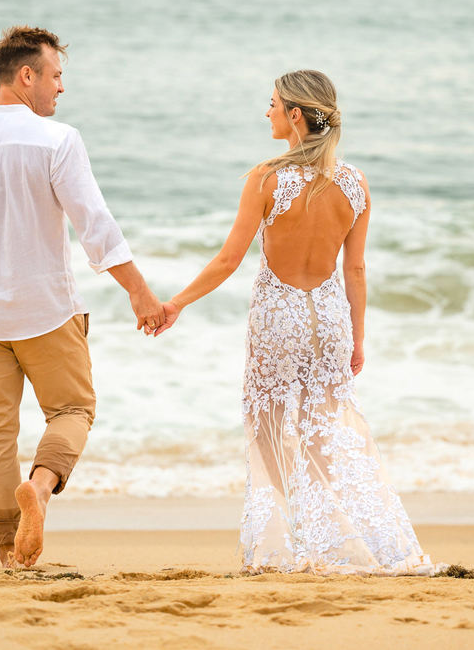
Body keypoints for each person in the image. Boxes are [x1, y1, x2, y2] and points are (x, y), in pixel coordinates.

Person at [156, 70, 437, 575]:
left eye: (271, 105)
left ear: (293, 115)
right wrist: (358, 337)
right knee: (327, 435)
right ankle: (359, 542)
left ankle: (304, 545)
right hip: (330, 321)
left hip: (278, 320)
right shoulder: (354, 182)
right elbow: (355, 268)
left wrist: (176, 303)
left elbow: (227, 260)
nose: (265, 113)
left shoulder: (266, 178)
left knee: (269, 432)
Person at [0, 26, 165, 569]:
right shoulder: (58, 140)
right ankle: (42, 489)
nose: (60, 89)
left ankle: (10, 556)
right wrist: (140, 294)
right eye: (56, 76)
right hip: (47, 311)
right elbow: (94, 225)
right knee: (73, 408)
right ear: (26, 76)